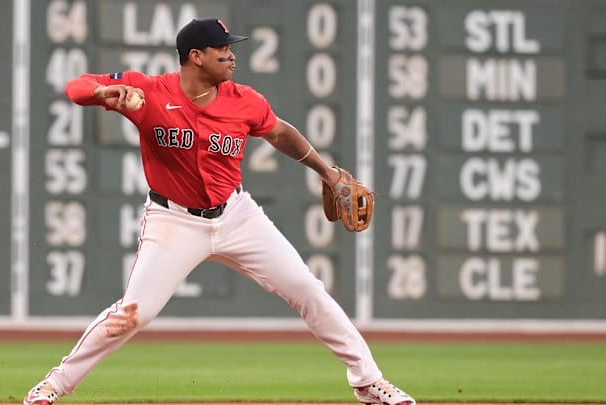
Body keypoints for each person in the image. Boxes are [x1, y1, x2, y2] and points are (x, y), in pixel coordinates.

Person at [23, 18, 415, 405]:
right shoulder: (149, 91)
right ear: (196, 56)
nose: (232, 57)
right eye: (223, 50)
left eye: (231, 49)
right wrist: (103, 92)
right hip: (172, 220)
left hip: (236, 215)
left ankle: (368, 383)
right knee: (133, 314)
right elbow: (76, 87)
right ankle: (51, 387)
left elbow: (280, 133)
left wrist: (327, 173)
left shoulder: (244, 100)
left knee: (308, 290)